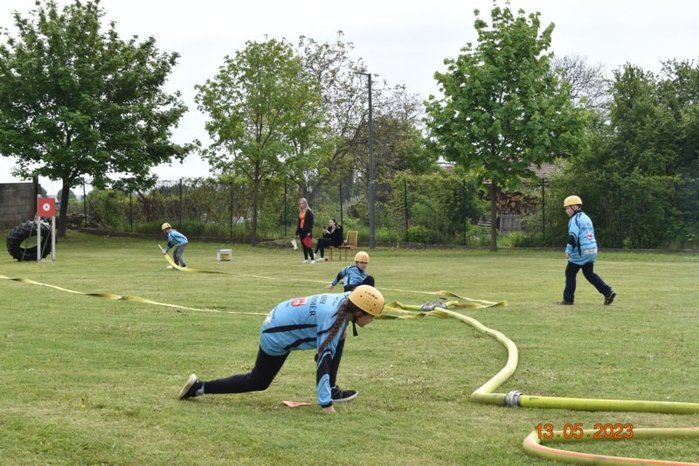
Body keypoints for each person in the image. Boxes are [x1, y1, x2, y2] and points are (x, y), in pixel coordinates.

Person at [178, 285, 385, 413]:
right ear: (359, 313)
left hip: (280, 314)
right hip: (274, 333)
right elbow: (323, 362)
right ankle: (199, 387)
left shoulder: (347, 300)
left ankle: (332, 389)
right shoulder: (332, 321)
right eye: (372, 316)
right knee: (258, 381)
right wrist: (326, 405)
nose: (373, 320)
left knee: (339, 337)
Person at [559, 195, 616, 305]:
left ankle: (568, 299)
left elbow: (573, 236)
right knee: (589, 274)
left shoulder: (574, 220)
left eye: (567, 208)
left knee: (570, 272)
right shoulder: (586, 217)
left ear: (574, 207)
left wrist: (568, 250)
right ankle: (608, 292)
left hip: (582, 252)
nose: (566, 211)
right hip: (592, 250)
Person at [295, 198, 315, 264]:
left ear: (305, 203)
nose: (302, 204)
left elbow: (311, 223)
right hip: (301, 230)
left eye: (303, 203)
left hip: (307, 231)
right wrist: (297, 231)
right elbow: (299, 222)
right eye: (300, 203)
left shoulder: (309, 211)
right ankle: (306, 259)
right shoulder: (300, 212)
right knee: (303, 245)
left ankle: (312, 259)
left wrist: (309, 232)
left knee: (308, 245)